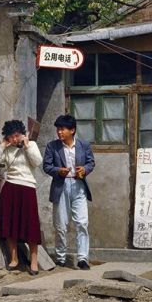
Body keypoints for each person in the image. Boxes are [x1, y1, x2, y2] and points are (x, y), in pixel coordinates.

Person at [0, 119, 43, 275]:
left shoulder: (31, 146)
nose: (14, 139)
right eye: (11, 136)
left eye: (17, 135)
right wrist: (2, 145)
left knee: (31, 226)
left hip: (28, 188)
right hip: (10, 187)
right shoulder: (7, 149)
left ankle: (33, 262)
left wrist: (26, 146)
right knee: (10, 224)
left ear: (23, 134)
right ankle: (14, 259)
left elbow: (37, 162)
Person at [43, 114, 95, 270]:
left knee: (82, 223)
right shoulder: (52, 146)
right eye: (58, 129)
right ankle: (60, 257)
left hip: (79, 186)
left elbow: (91, 162)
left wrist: (84, 169)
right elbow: (46, 166)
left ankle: (82, 258)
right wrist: (59, 171)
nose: (59, 132)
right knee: (60, 224)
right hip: (61, 186)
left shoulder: (83, 146)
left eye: (62, 129)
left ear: (72, 130)